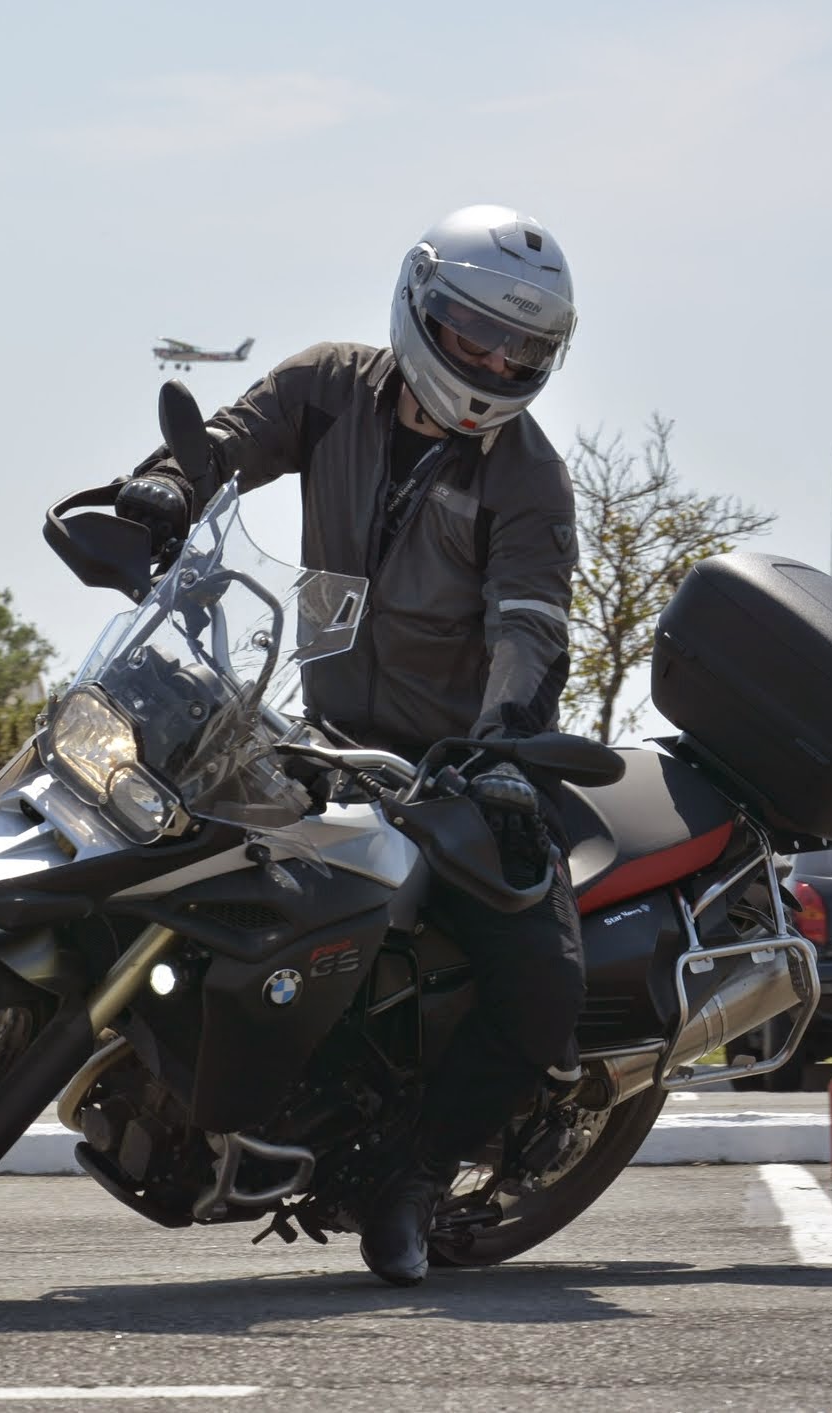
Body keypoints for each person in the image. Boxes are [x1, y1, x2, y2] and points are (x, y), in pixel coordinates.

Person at [118, 204, 584, 1286]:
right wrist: (162, 490)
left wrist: (502, 739)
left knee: (541, 986)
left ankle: (415, 1178)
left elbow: (530, 624)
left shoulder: (524, 477)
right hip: (314, 733)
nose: (499, 361)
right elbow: (229, 443)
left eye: (526, 349)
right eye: (479, 334)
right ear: (420, 307)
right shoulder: (332, 385)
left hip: (457, 765)